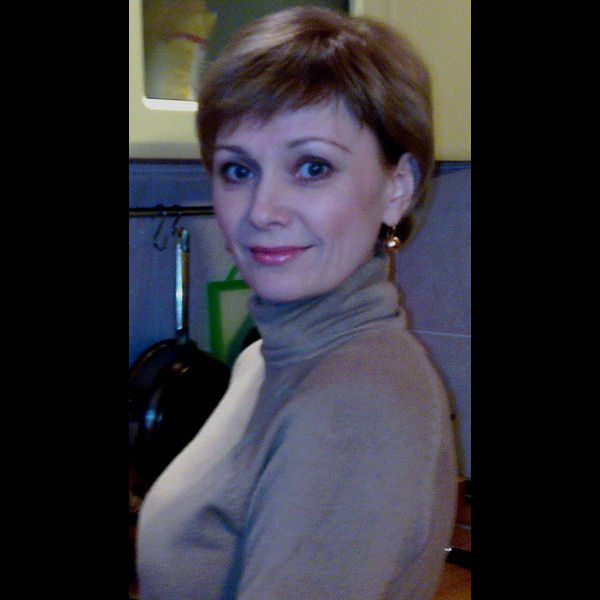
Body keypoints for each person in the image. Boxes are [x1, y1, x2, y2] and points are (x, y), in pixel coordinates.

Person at [137, 6, 457, 599]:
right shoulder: (269, 358)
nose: (262, 210)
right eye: (238, 170)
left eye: (312, 167)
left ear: (397, 187)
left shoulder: (359, 398)